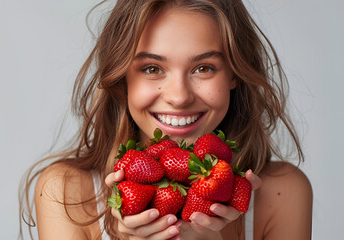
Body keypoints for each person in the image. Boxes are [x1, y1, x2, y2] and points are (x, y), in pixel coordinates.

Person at [19, 0, 313, 239]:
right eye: (151, 68)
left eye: (203, 68)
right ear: (122, 77)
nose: (179, 96)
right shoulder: (66, 192)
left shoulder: (282, 193)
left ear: (234, 73)